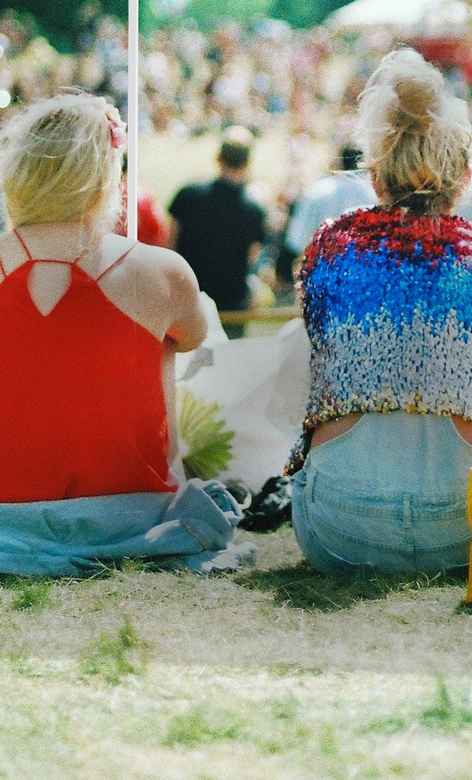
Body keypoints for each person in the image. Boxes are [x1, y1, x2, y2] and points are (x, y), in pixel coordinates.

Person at [287, 48, 472, 578]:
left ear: (376, 174)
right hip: (466, 527)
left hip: (341, 526)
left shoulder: (331, 246)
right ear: (463, 177)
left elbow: (318, 329)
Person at [0, 92, 246, 574]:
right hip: (128, 515)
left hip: (5, 509)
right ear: (105, 177)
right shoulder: (161, 272)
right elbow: (196, 334)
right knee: (167, 335)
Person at [167, 126, 268, 329]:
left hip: (190, 299)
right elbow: (252, 257)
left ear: (218, 158)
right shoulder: (254, 210)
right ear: (248, 163)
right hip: (232, 306)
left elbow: (170, 245)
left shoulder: (187, 195)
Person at [282, 143, 377, 265]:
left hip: (320, 269)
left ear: (339, 162)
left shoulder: (318, 191)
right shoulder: (374, 196)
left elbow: (297, 241)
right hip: (362, 271)